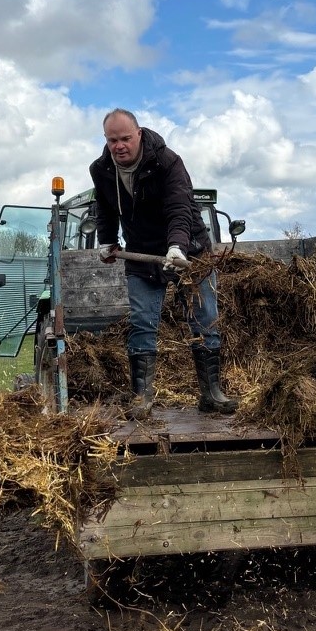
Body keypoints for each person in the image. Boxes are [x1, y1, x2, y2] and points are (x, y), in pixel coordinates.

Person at [89, 108, 237, 416]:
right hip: (142, 255)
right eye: (113, 139)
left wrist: (177, 247)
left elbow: (179, 208)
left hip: (190, 253)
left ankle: (212, 394)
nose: (119, 146)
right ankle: (142, 398)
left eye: (126, 138)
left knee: (204, 321)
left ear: (139, 134)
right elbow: (104, 208)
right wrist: (106, 240)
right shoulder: (101, 169)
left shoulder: (168, 162)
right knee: (142, 323)